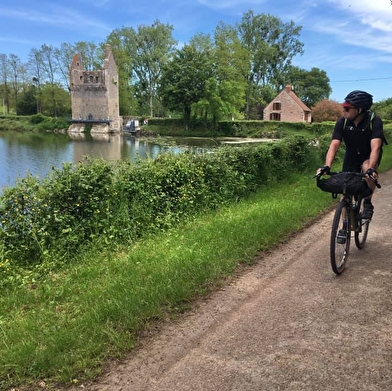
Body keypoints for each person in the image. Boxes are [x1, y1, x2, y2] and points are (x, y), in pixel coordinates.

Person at [317, 90, 386, 243]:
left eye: (347, 109)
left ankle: (367, 202)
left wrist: (371, 169)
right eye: (344, 108)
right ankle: (345, 225)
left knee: (367, 168)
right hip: (351, 155)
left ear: (359, 109)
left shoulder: (374, 120)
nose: (344, 111)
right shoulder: (343, 121)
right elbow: (334, 144)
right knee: (345, 187)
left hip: (368, 155)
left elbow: (376, 147)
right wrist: (327, 166)